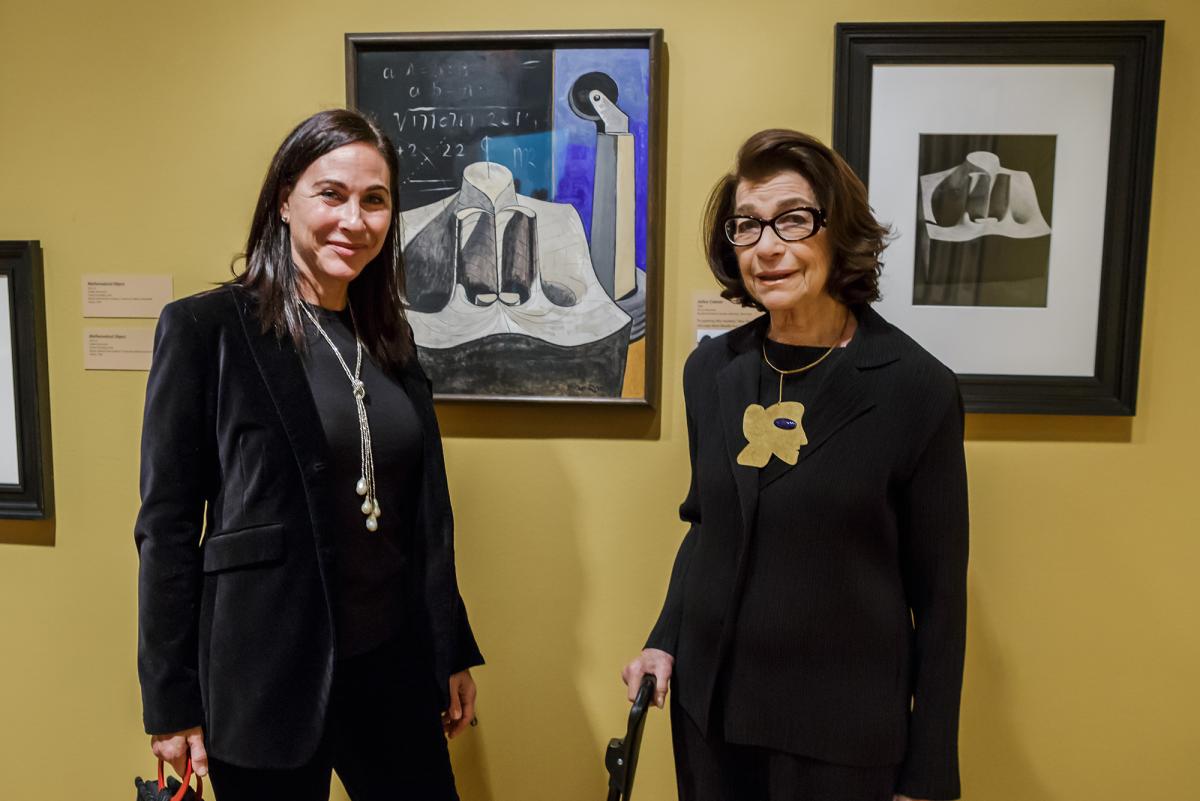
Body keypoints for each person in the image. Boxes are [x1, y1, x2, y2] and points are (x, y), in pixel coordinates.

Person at [135, 108, 483, 801]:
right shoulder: (209, 330)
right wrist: (170, 701)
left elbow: (422, 520)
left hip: (391, 667)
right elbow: (167, 527)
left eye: (375, 200)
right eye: (332, 193)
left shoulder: (392, 343)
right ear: (285, 200)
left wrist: (449, 648)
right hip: (266, 677)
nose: (354, 220)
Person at [622, 129, 968, 801]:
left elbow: (942, 597)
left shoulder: (915, 387)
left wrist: (928, 775)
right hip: (712, 718)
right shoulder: (712, 371)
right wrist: (663, 640)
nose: (768, 246)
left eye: (793, 220)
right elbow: (706, 528)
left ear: (839, 230)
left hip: (841, 739)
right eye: (747, 226)